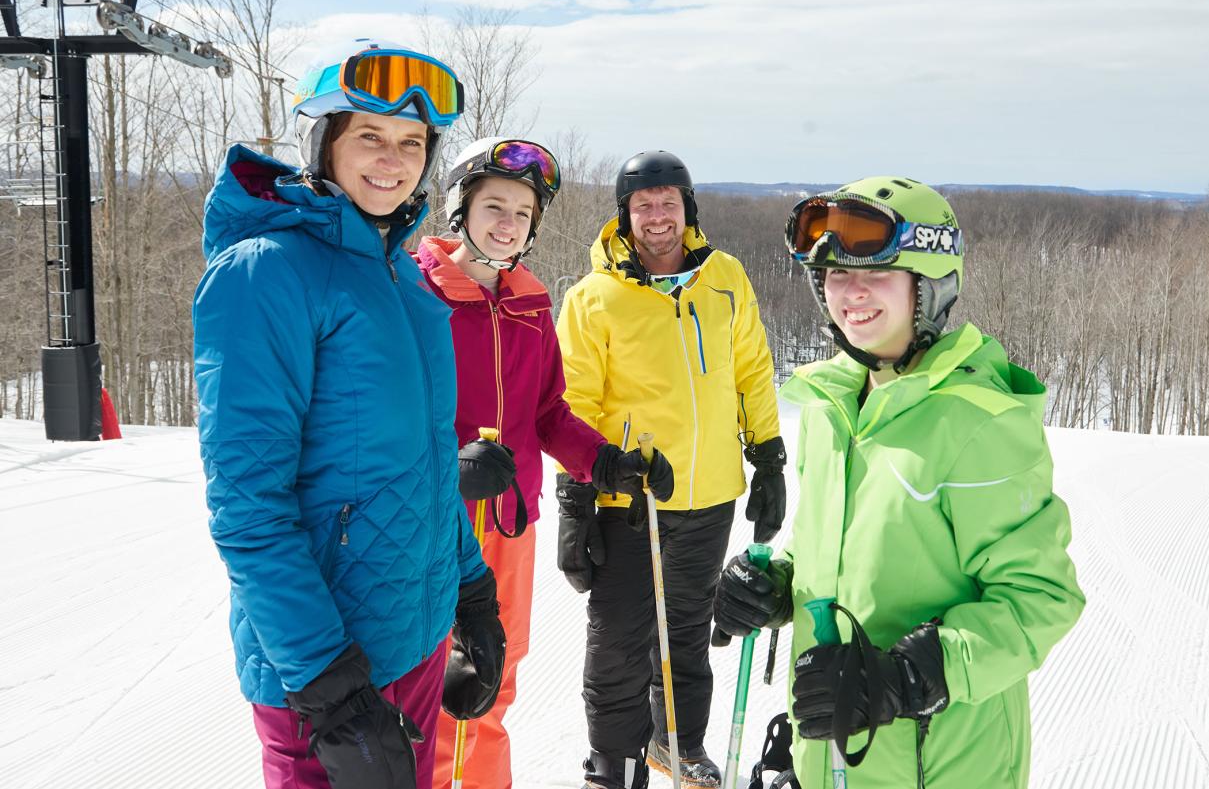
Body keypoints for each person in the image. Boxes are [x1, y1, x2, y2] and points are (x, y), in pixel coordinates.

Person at [194, 39, 506, 789]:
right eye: (369, 134)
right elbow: (247, 507)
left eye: (411, 142)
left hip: (416, 639)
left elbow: (428, 462)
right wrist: (330, 686)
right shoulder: (264, 272)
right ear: (324, 141)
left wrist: (470, 588)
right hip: (328, 672)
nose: (391, 159)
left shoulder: (399, 271)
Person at [711, 176, 1086, 789]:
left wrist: (906, 678)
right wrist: (778, 589)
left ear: (928, 285)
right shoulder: (835, 407)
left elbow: (1041, 599)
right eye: (834, 276)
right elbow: (832, 549)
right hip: (832, 752)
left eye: (876, 274)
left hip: (940, 764)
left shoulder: (977, 420)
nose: (850, 294)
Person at [415, 137, 674, 789]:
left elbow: (550, 412)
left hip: (508, 527)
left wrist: (606, 463)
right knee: (434, 687)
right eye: (493, 206)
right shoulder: (417, 296)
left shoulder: (530, 304)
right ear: (459, 209)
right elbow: (384, 418)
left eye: (522, 213)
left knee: (493, 685)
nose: (507, 223)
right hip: (433, 527)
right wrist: (450, 466)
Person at [555, 150, 786, 789]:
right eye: (643, 205)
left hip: (708, 494)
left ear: (688, 209)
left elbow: (752, 369)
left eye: (668, 203)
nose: (657, 217)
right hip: (629, 498)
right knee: (621, 642)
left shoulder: (725, 278)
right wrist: (576, 502)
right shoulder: (593, 298)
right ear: (624, 215)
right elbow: (573, 403)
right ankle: (615, 765)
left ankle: (677, 745)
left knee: (685, 635)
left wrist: (768, 455)